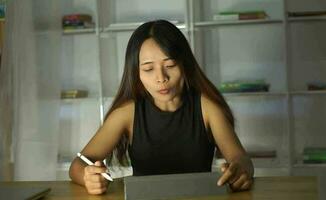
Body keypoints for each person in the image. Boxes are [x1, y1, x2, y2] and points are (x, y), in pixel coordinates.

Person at [69, 19, 254, 195]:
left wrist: (240, 171)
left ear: (184, 64)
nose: (161, 78)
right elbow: (78, 164)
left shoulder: (208, 108)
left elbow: (241, 159)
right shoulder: (127, 114)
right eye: (148, 69)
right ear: (136, 74)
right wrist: (88, 177)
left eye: (170, 65)